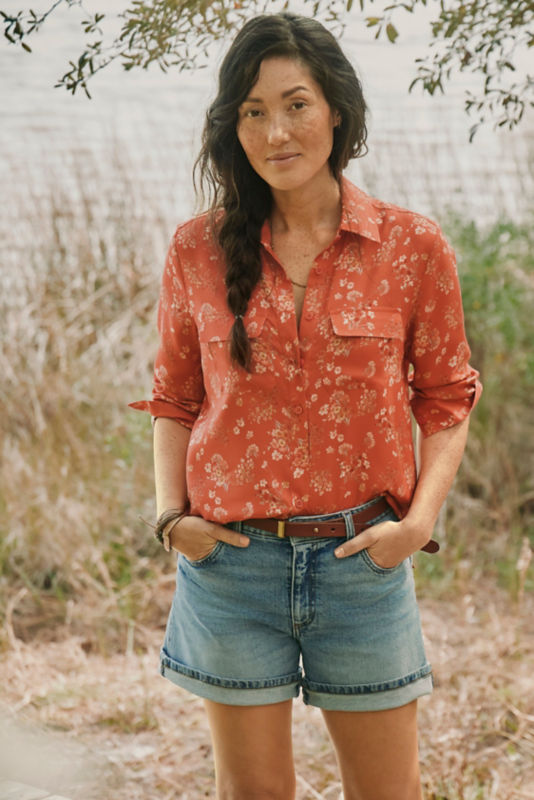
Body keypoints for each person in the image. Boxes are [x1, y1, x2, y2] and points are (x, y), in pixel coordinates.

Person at [130, 11, 482, 800]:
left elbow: (446, 398)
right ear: (232, 127)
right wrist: (168, 518)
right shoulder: (197, 247)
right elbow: (174, 396)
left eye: (296, 103)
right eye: (252, 111)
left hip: (363, 562)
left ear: (337, 111)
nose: (275, 131)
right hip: (231, 566)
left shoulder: (411, 247)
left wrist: (418, 524)